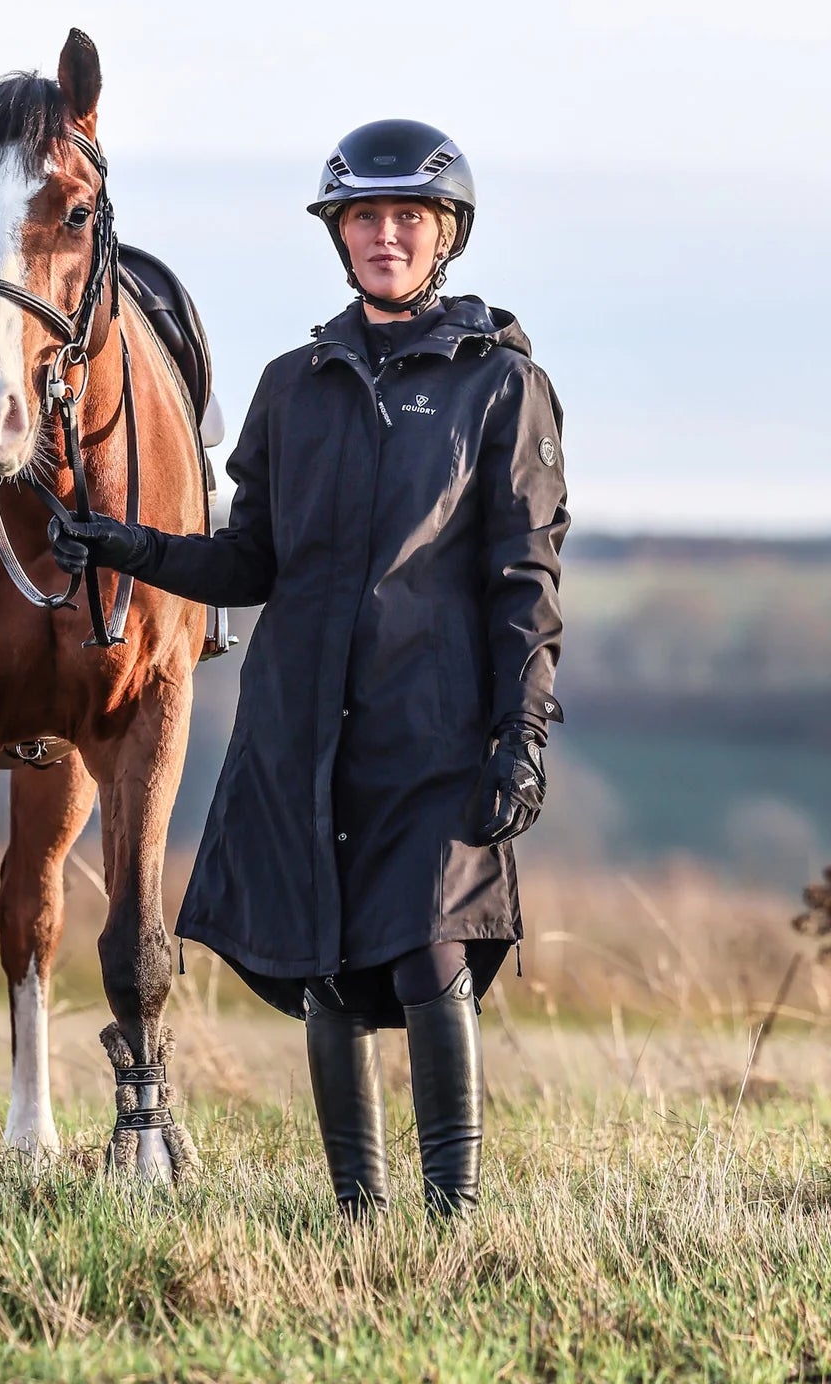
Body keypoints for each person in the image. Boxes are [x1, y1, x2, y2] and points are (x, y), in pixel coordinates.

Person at [49, 121, 569, 1219]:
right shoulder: (292, 384)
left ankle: (451, 1219)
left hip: (435, 731)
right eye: (364, 218)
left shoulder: (501, 386)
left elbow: (525, 575)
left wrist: (520, 736)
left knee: (431, 953)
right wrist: (129, 543)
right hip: (299, 728)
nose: (384, 236)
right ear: (338, 236)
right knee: (324, 969)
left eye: (406, 219)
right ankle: (356, 1216)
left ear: (445, 237)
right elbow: (252, 560)